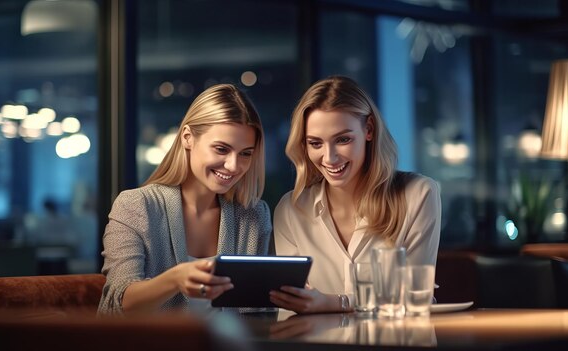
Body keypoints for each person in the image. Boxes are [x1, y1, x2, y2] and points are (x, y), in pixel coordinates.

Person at [271, 76, 441, 314]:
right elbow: (291, 306)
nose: (329, 158)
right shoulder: (290, 209)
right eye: (315, 143)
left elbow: (414, 294)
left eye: (343, 140)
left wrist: (334, 303)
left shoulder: (418, 194)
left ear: (369, 129)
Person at [98, 84, 272, 315]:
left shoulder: (253, 214)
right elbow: (117, 304)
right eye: (221, 149)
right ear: (188, 138)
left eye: (245, 153)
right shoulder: (136, 205)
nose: (234, 166)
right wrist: (175, 279)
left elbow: (255, 313)